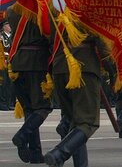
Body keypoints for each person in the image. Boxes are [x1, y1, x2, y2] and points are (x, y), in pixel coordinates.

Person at [45, 23, 105, 167]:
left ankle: (81, 163)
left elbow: (48, 36)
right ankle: (59, 153)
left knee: (75, 120)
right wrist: (113, 69)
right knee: (87, 122)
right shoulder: (86, 5)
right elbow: (102, 38)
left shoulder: (55, 6)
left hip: (60, 66)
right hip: (84, 66)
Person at [8, 7, 53, 163]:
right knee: (42, 107)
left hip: (17, 62)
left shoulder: (12, 11)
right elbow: (50, 35)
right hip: (36, 62)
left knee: (29, 109)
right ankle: (22, 135)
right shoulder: (41, 10)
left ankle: (35, 153)